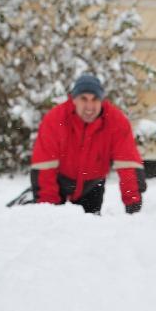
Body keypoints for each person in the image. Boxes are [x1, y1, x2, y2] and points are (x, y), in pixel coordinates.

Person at [30, 74, 146, 215]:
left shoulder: (116, 122)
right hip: (58, 181)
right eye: (84, 99)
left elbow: (128, 165)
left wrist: (133, 206)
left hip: (92, 186)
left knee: (90, 229)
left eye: (95, 99)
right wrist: (47, 209)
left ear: (102, 100)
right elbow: (44, 167)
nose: (89, 106)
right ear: (74, 100)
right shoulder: (55, 119)